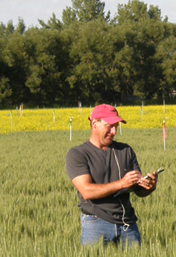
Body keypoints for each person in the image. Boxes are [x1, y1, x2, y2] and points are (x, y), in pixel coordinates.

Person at [65, 104, 158, 248]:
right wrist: (121, 183)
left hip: (128, 225)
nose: (114, 131)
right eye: (109, 126)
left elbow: (138, 190)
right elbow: (86, 191)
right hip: (96, 225)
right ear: (94, 123)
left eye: (116, 126)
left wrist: (149, 187)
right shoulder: (78, 154)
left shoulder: (125, 150)